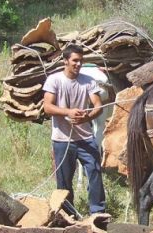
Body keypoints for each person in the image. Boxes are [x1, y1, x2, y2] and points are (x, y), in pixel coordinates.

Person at [42, 44, 106, 217]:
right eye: (75, 61)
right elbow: (47, 107)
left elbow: (98, 106)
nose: (78, 64)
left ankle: (98, 213)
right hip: (62, 140)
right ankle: (68, 215)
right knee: (64, 182)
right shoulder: (54, 80)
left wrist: (86, 117)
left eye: (81, 61)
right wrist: (68, 112)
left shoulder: (89, 81)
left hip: (85, 138)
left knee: (94, 171)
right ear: (65, 61)